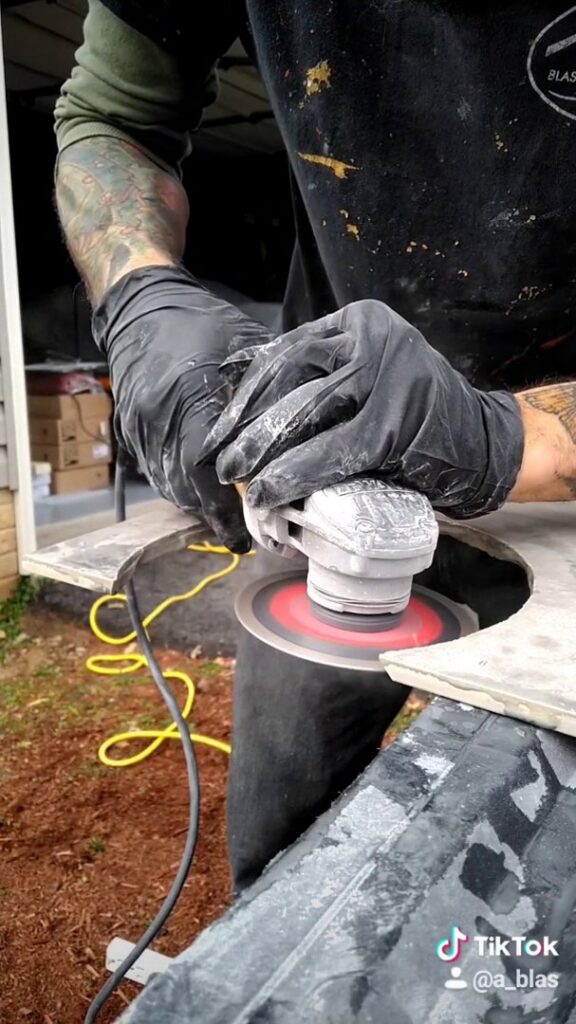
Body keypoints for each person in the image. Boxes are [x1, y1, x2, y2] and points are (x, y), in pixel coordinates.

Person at [54, 1, 576, 888]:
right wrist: (142, 296)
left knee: (536, 880)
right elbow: (111, 121)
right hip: (330, 459)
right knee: (279, 841)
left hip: (560, 492)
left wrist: (509, 437)